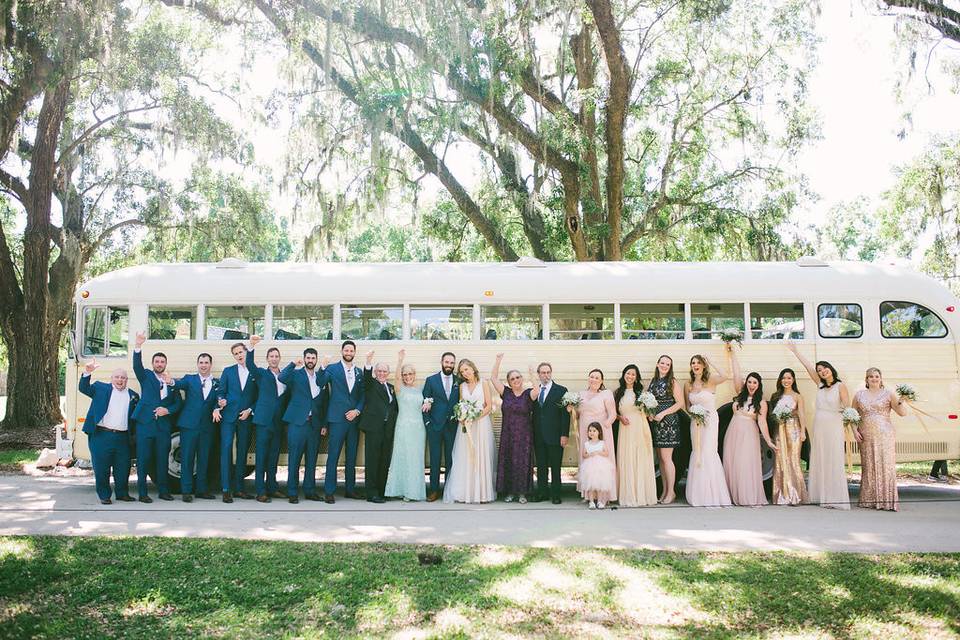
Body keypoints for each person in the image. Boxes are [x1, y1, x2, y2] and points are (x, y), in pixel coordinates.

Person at [787, 341, 850, 510]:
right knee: (820, 457)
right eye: (820, 370)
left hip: (834, 424)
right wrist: (796, 352)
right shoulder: (820, 385)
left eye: (824, 368)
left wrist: (848, 420)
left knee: (833, 457)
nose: (822, 371)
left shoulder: (840, 386)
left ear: (830, 368)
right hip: (820, 424)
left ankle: (835, 497)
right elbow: (808, 366)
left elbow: (847, 406)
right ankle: (820, 495)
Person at [78, 359, 139, 504]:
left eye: (123, 378)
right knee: (101, 468)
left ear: (126, 380)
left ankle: (122, 493)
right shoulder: (100, 388)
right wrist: (87, 372)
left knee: (123, 467)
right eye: (117, 377)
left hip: (123, 437)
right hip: (101, 435)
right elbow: (83, 388)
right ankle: (104, 495)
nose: (120, 380)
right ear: (111, 379)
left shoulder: (133, 395)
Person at [132, 332, 182, 503]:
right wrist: (138, 346)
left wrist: (167, 411)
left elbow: (178, 404)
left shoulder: (171, 382)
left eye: (162, 362)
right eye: (157, 362)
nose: (159, 364)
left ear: (166, 364)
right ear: (153, 363)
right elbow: (136, 366)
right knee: (144, 459)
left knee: (162, 460)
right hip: (145, 425)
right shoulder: (145, 376)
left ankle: (163, 491)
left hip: (163, 427)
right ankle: (142, 493)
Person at [723, 344, 775, 506]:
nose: (752, 385)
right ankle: (733, 495)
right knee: (732, 463)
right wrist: (732, 355)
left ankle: (746, 496)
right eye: (750, 382)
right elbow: (736, 374)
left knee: (745, 464)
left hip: (749, 435)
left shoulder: (762, 403)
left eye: (755, 383)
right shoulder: (740, 394)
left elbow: (762, 423)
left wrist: (768, 441)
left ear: (759, 385)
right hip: (733, 432)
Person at [317, 340, 366, 503]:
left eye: (351, 350)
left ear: (354, 352)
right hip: (337, 419)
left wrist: (357, 411)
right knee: (333, 456)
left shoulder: (359, 372)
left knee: (351, 456)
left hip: (354, 420)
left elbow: (362, 395)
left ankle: (350, 490)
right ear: (342, 351)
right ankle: (329, 491)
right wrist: (322, 366)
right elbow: (320, 382)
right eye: (346, 350)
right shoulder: (332, 369)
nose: (349, 352)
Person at [165, 353, 219, 502]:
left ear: (210, 364)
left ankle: (201, 490)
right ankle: (186, 491)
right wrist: (170, 382)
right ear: (197, 364)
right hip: (189, 425)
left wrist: (217, 408)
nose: (203, 365)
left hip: (207, 427)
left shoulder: (217, 383)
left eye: (206, 362)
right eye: (201, 362)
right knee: (187, 458)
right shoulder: (190, 379)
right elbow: (178, 384)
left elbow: (219, 399)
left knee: (204, 458)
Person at [853, 367, 907, 511]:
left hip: (885, 434)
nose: (874, 378)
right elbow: (852, 416)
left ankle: (886, 501)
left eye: (876, 376)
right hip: (865, 435)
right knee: (869, 464)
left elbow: (902, 413)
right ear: (866, 379)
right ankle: (869, 500)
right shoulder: (859, 395)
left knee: (885, 465)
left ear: (881, 378)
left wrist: (902, 400)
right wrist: (854, 431)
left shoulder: (888, 394)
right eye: (871, 376)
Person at [443, 358, 496, 503]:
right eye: (462, 372)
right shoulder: (462, 387)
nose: (465, 373)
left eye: (466, 369)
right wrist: (462, 417)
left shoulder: (483, 383)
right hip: (466, 427)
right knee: (466, 457)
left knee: (480, 457)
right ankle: (464, 492)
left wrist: (475, 417)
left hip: (481, 425)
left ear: (473, 368)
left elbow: (489, 406)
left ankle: (482, 493)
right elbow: (461, 405)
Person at [684, 354, 732, 507]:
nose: (695, 365)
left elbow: (726, 375)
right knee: (697, 450)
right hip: (695, 422)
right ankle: (697, 493)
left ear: (703, 365)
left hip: (710, 421)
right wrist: (694, 414)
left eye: (698, 362)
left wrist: (711, 361)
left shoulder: (711, 380)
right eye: (693, 363)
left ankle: (711, 493)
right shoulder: (688, 384)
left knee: (708, 451)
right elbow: (687, 406)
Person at [213, 341, 258, 503]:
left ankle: (239, 488)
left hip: (246, 417)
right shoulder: (228, 371)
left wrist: (250, 410)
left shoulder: (255, 371)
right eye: (236, 353)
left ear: (246, 352)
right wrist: (220, 401)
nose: (239, 355)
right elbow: (220, 392)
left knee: (242, 453)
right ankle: (226, 489)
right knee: (226, 450)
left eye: (241, 352)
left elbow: (260, 396)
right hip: (228, 417)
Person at [278, 348, 325, 503]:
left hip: (314, 425)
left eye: (313, 358)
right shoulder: (296, 374)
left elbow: (326, 401)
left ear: (316, 360)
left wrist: (323, 424)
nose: (310, 360)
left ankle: (310, 490)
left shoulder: (321, 376)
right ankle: (292, 492)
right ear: (304, 359)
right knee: (294, 459)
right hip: (297, 423)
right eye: (308, 358)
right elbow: (282, 378)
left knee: (311, 460)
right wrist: (292, 364)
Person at [246, 336, 290, 502]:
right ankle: (260, 491)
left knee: (273, 457)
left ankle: (272, 487)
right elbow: (249, 364)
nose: (274, 359)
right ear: (267, 359)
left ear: (279, 359)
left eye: (276, 356)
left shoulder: (285, 374)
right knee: (262, 457)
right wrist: (251, 346)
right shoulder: (262, 374)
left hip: (278, 422)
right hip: (263, 421)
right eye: (271, 356)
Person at [491, 353, 534, 503]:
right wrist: (498, 361)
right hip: (508, 433)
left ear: (522, 379)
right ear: (509, 382)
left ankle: (522, 493)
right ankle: (509, 492)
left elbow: (537, 391)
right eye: (512, 378)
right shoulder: (506, 393)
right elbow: (494, 379)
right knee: (508, 461)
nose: (516, 380)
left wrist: (531, 375)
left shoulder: (529, 393)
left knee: (522, 462)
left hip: (524, 434)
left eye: (518, 377)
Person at [384, 350, 427, 502]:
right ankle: (400, 489)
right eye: (405, 374)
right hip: (403, 426)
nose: (408, 377)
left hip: (418, 428)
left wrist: (428, 402)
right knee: (402, 456)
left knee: (416, 458)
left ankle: (413, 491)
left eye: (410, 374)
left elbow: (428, 401)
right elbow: (395, 377)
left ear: (414, 375)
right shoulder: (399, 389)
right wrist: (400, 361)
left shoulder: (421, 389)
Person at [613, 364, 657, 507]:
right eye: (628, 373)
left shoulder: (641, 392)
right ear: (624, 374)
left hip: (639, 427)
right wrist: (620, 418)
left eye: (633, 374)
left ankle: (641, 495)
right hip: (625, 429)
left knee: (640, 458)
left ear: (636, 377)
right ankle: (627, 495)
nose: (630, 376)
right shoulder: (618, 392)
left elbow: (649, 412)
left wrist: (650, 412)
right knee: (627, 458)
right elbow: (614, 413)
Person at [571, 369, 617, 502]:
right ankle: (589, 494)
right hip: (585, 429)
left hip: (601, 431)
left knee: (602, 461)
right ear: (588, 378)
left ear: (602, 381)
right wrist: (571, 410)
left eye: (597, 378)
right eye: (592, 377)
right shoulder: (581, 394)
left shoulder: (606, 394)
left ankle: (604, 494)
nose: (594, 380)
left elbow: (612, 414)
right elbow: (578, 415)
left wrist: (604, 428)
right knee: (587, 461)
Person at [359, 351, 399, 504]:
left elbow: (394, 407)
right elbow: (367, 377)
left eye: (384, 371)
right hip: (373, 429)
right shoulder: (371, 385)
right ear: (375, 372)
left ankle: (382, 491)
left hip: (387, 430)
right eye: (379, 371)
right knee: (373, 460)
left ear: (388, 373)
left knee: (384, 461)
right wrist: (368, 361)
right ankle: (372, 493)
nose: (382, 373)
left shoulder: (390, 387)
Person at [768, 368, 809, 505]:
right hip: (779, 430)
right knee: (780, 460)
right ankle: (782, 495)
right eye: (784, 378)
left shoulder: (798, 396)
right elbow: (772, 415)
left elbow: (802, 414)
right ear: (780, 380)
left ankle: (795, 495)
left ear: (793, 380)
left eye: (789, 378)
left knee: (793, 460)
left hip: (794, 430)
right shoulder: (775, 396)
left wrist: (803, 431)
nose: (786, 381)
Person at [530, 362, 569, 505]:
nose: (545, 375)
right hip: (538, 435)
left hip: (555, 435)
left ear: (551, 373)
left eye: (548, 372)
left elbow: (565, 415)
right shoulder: (534, 391)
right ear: (538, 374)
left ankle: (556, 494)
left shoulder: (561, 390)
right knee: (541, 466)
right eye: (542, 373)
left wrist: (564, 434)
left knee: (555, 466)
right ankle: (542, 493)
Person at [422, 352, 459, 501]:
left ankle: (449, 491)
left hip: (453, 427)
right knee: (435, 460)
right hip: (435, 427)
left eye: (452, 363)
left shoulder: (459, 381)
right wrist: (428, 423)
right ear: (441, 362)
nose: (449, 365)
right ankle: (434, 491)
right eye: (447, 362)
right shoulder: (431, 380)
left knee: (451, 460)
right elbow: (424, 402)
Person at [648, 355, 684, 504]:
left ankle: (671, 492)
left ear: (670, 367)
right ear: (657, 364)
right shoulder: (653, 381)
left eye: (667, 364)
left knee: (667, 458)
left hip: (668, 422)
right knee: (661, 460)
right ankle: (664, 491)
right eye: (662, 363)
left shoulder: (672, 382)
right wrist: (650, 413)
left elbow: (680, 403)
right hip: (656, 422)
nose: (664, 366)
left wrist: (662, 413)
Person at [578, 422, 616, 509]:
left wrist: (599, 452)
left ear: (599, 432)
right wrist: (589, 454)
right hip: (589, 466)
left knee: (599, 485)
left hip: (600, 466)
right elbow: (584, 454)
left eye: (594, 431)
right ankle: (591, 502)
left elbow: (606, 453)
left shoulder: (602, 443)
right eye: (590, 431)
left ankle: (599, 501)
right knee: (590, 485)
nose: (591, 432)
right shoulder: (587, 443)